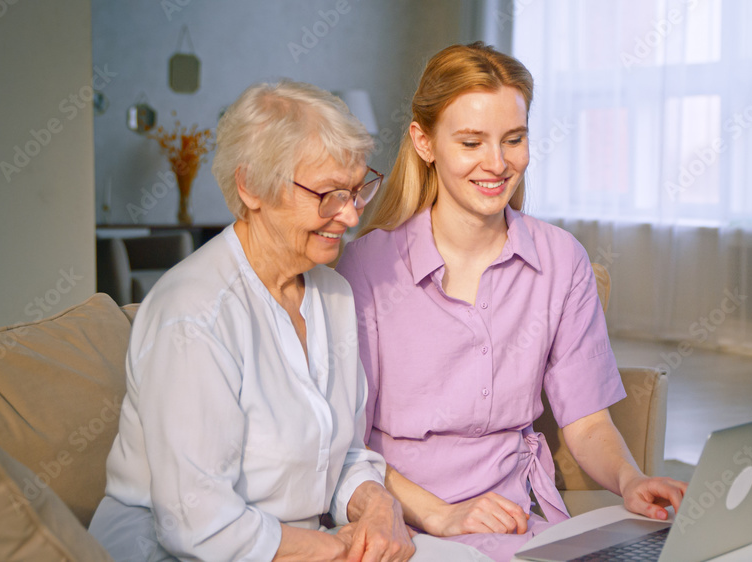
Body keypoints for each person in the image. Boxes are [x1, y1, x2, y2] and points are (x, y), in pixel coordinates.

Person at [89, 80, 488, 561]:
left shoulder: (333, 293)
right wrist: (333, 549)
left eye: (356, 190)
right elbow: (196, 525)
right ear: (251, 186)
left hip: (299, 543)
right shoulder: (194, 315)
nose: (349, 216)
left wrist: (380, 506)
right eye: (327, 194)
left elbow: (338, 457)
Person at [335, 43, 688, 560]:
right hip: (399, 523)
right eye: (472, 142)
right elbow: (347, 448)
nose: (497, 164)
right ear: (424, 141)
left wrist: (629, 479)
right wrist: (443, 513)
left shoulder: (562, 260)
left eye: (514, 139)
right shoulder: (367, 268)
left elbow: (587, 420)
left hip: (515, 525)